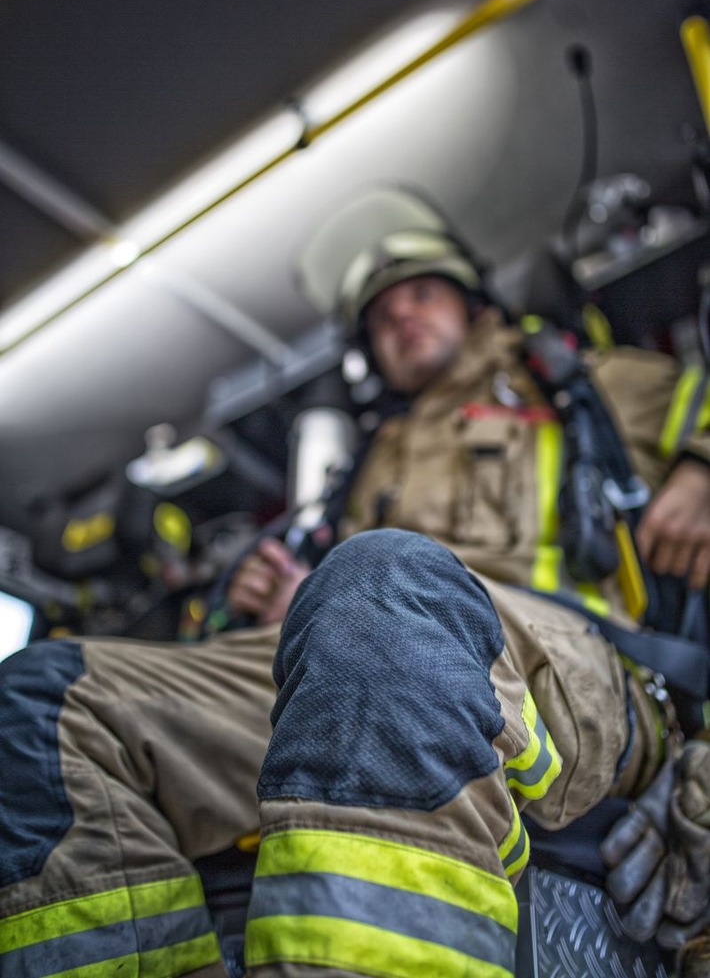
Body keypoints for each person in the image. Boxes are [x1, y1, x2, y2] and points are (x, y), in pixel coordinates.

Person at [0, 231, 709, 978]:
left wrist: (700, 468)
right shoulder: (367, 464)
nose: (401, 316)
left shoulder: (581, 381)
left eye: (422, 293)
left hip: (565, 658)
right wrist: (292, 604)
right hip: (384, 637)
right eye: (381, 315)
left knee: (381, 589)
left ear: (473, 306)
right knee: (44, 699)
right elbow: (359, 602)